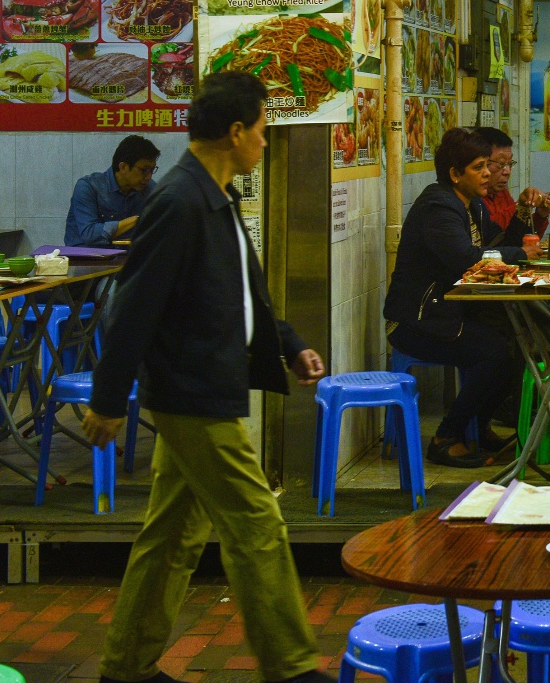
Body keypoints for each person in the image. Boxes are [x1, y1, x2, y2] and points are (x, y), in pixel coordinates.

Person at [84, 72, 330, 683]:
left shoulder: (215, 197)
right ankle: (292, 666)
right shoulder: (178, 202)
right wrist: (108, 401)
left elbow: (248, 294)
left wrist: (291, 346)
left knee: (172, 534)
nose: (267, 143)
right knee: (256, 524)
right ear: (237, 131)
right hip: (191, 396)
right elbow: (131, 308)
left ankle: (126, 666)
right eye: (264, 130)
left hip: (209, 387)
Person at [384, 128, 520, 467]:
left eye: (488, 165)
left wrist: (530, 218)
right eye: (479, 167)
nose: (489, 173)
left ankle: (479, 424)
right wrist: (519, 253)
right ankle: (447, 435)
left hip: (449, 316)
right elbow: (470, 259)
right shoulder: (438, 205)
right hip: (417, 322)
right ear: (455, 174)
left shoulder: (472, 203)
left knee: (518, 346)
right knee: (496, 354)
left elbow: (496, 245)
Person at [472, 126, 550, 255]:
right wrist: (521, 206)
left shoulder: (502, 193)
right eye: (501, 164)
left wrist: (541, 215)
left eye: (510, 164)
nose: (507, 172)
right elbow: (495, 239)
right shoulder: (472, 198)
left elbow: (518, 241)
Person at [64, 134, 160, 246]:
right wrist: (136, 220)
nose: (148, 177)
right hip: (85, 260)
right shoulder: (88, 187)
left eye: (152, 170)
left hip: (127, 257)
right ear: (123, 167)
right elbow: (89, 234)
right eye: (144, 170)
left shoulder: (151, 189)